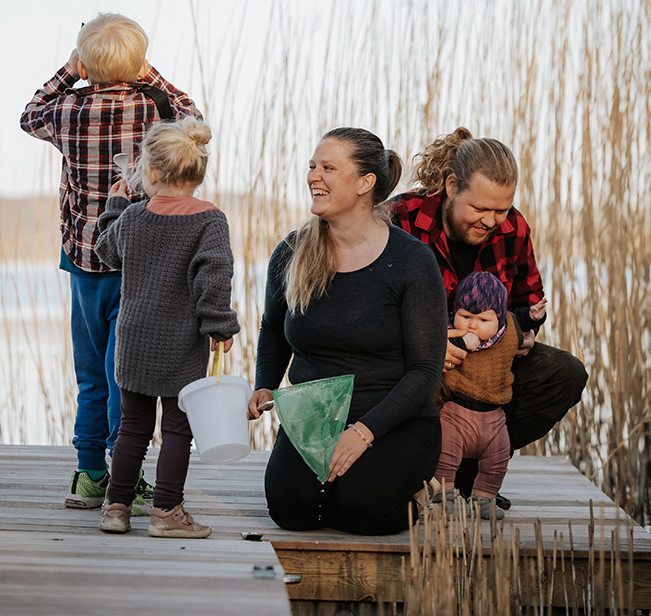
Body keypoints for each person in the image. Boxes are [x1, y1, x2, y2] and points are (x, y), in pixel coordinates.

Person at [20, 13, 201, 514]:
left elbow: (29, 112)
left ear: (85, 62)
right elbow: (192, 118)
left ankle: (89, 475)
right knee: (127, 375)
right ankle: (129, 476)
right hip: (140, 262)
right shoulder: (154, 110)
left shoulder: (68, 111)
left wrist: (67, 71)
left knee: (91, 372)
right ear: (138, 63)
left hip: (83, 259)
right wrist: (151, 75)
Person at [247, 127, 447, 536]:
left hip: (393, 419)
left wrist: (362, 433)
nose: (313, 177)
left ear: (364, 183)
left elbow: (426, 371)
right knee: (291, 511)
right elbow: (272, 329)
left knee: (364, 509)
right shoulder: (291, 252)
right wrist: (265, 385)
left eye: (328, 168)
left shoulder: (411, 261)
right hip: (314, 416)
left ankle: (420, 493)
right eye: (312, 167)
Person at [387, 127, 588, 504]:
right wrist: (427, 346)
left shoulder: (513, 227)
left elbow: (530, 297)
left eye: (502, 209)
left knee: (566, 373)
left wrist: (526, 330)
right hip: (421, 366)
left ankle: (472, 473)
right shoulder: (402, 219)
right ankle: (424, 471)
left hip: (488, 369)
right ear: (450, 186)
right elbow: (373, 309)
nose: (492, 220)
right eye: (480, 209)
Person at [93, 116, 239, 538]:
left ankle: (116, 508)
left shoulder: (135, 216)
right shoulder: (210, 219)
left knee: (132, 428)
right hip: (182, 342)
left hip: (135, 338)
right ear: (197, 172)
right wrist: (219, 326)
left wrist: (116, 207)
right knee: (177, 429)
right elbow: (214, 275)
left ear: (151, 173)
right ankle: (166, 513)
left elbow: (107, 252)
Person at [432, 271, 545, 520]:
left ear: (499, 318)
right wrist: (460, 341)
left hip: (493, 419)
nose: (472, 324)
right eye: (465, 316)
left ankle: (483, 499)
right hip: (456, 414)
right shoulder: (453, 333)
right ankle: (443, 498)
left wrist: (536, 316)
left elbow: (522, 319)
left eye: (482, 319)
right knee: (445, 456)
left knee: (498, 459)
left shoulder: (510, 328)